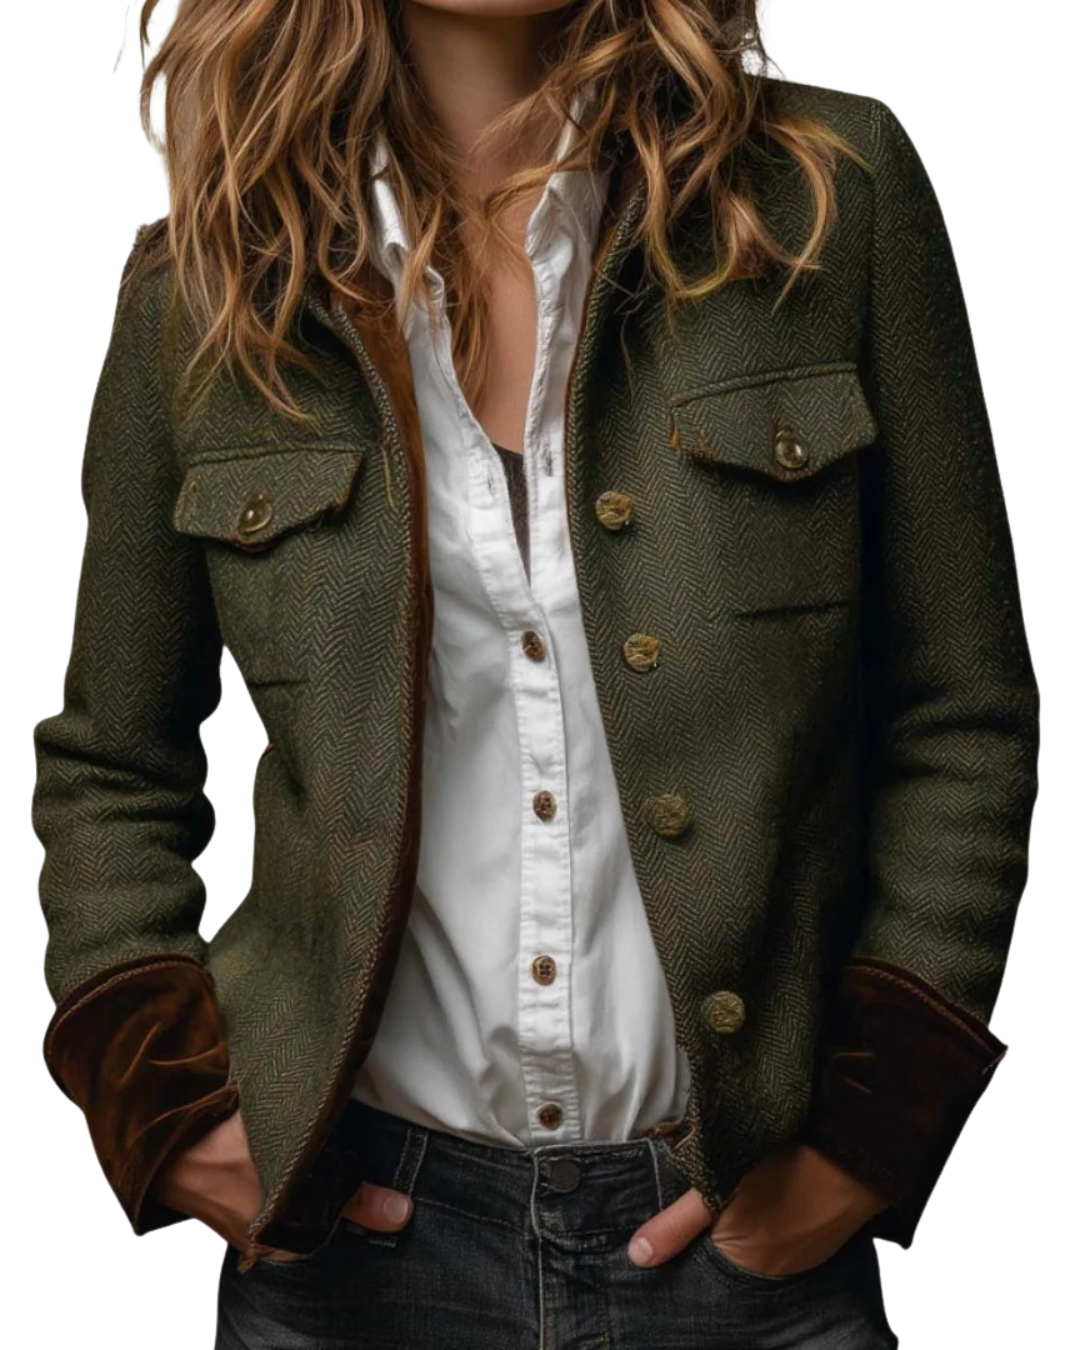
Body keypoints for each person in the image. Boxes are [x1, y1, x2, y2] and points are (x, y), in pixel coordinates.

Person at [32, 2, 1039, 1347]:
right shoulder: (207, 286)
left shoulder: (827, 197)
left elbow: (962, 711)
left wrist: (868, 1136)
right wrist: (167, 1110)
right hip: (349, 1263)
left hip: (749, 1252)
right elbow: (113, 763)